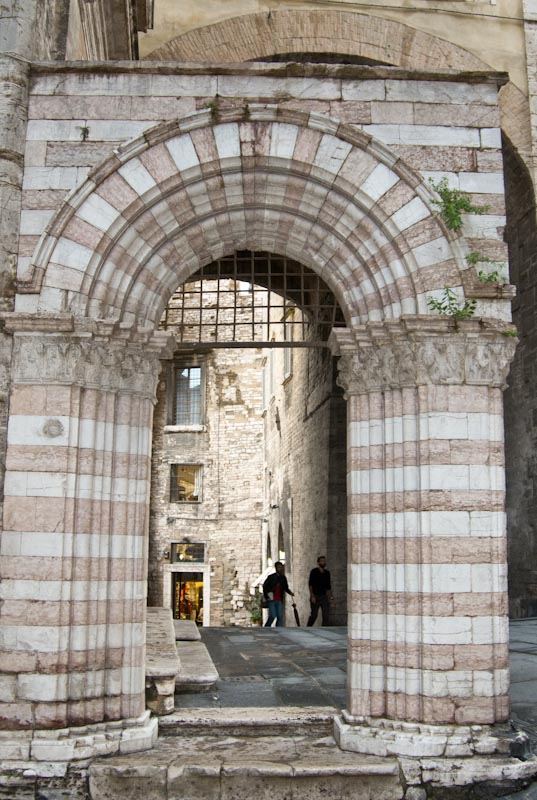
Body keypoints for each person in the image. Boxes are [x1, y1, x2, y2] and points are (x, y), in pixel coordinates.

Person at [262, 561, 294, 627]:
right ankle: (267, 626)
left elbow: (285, 587)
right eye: (279, 567)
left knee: (280, 616)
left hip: (279, 599)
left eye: (281, 567)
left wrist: (290, 593)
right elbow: (265, 586)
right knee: (273, 615)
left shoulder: (283, 578)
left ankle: (279, 629)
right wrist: (266, 596)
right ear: (276, 568)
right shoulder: (271, 577)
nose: (280, 569)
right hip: (271, 599)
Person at [307, 556, 333, 626]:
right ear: (318, 562)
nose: (323, 562)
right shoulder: (314, 571)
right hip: (315, 595)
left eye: (324, 561)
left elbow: (328, 586)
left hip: (324, 596)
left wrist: (330, 597)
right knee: (314, 615)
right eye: (321, 561)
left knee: (326, 615)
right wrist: (312, 596)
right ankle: (308, 627)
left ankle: (324, 629)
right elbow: (310, 584)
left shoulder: (327, 573)